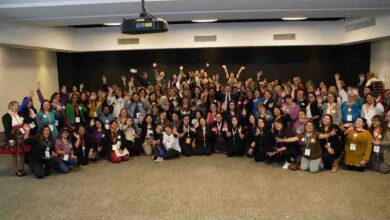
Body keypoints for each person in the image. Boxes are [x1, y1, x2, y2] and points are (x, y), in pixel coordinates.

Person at [0, 101, 31, 177]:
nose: (16, 107)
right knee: (14, 153)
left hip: (21, 134)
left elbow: (27, 121)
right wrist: (10, 140)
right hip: (13, 136)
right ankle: (16, 170)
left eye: (17, 106)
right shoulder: (6, 116)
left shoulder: (20, 114)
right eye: (14, 106)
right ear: (10, 107)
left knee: (22, 152)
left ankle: (22, 168)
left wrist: (30, 114)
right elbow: (7, 129)